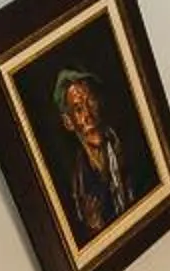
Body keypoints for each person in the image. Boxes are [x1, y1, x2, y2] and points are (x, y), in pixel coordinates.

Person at [52, 66, 133, 240]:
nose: (88, 115)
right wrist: (95, 227)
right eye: (79, 109)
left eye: (91, 102)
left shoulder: (130, 146)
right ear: (68, 122)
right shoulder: (77, 181)